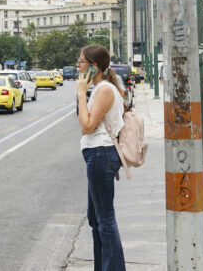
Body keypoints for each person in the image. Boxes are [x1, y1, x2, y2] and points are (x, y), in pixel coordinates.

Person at [75, 44, 125, 271]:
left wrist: (79, 93)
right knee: (95, 218)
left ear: (93, 66)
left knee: (104, 219)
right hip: (98, 154)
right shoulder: (99, 88)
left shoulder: (104, 89)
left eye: (81, 62)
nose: (78, 65)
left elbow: (87, 126)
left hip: (101, 153)